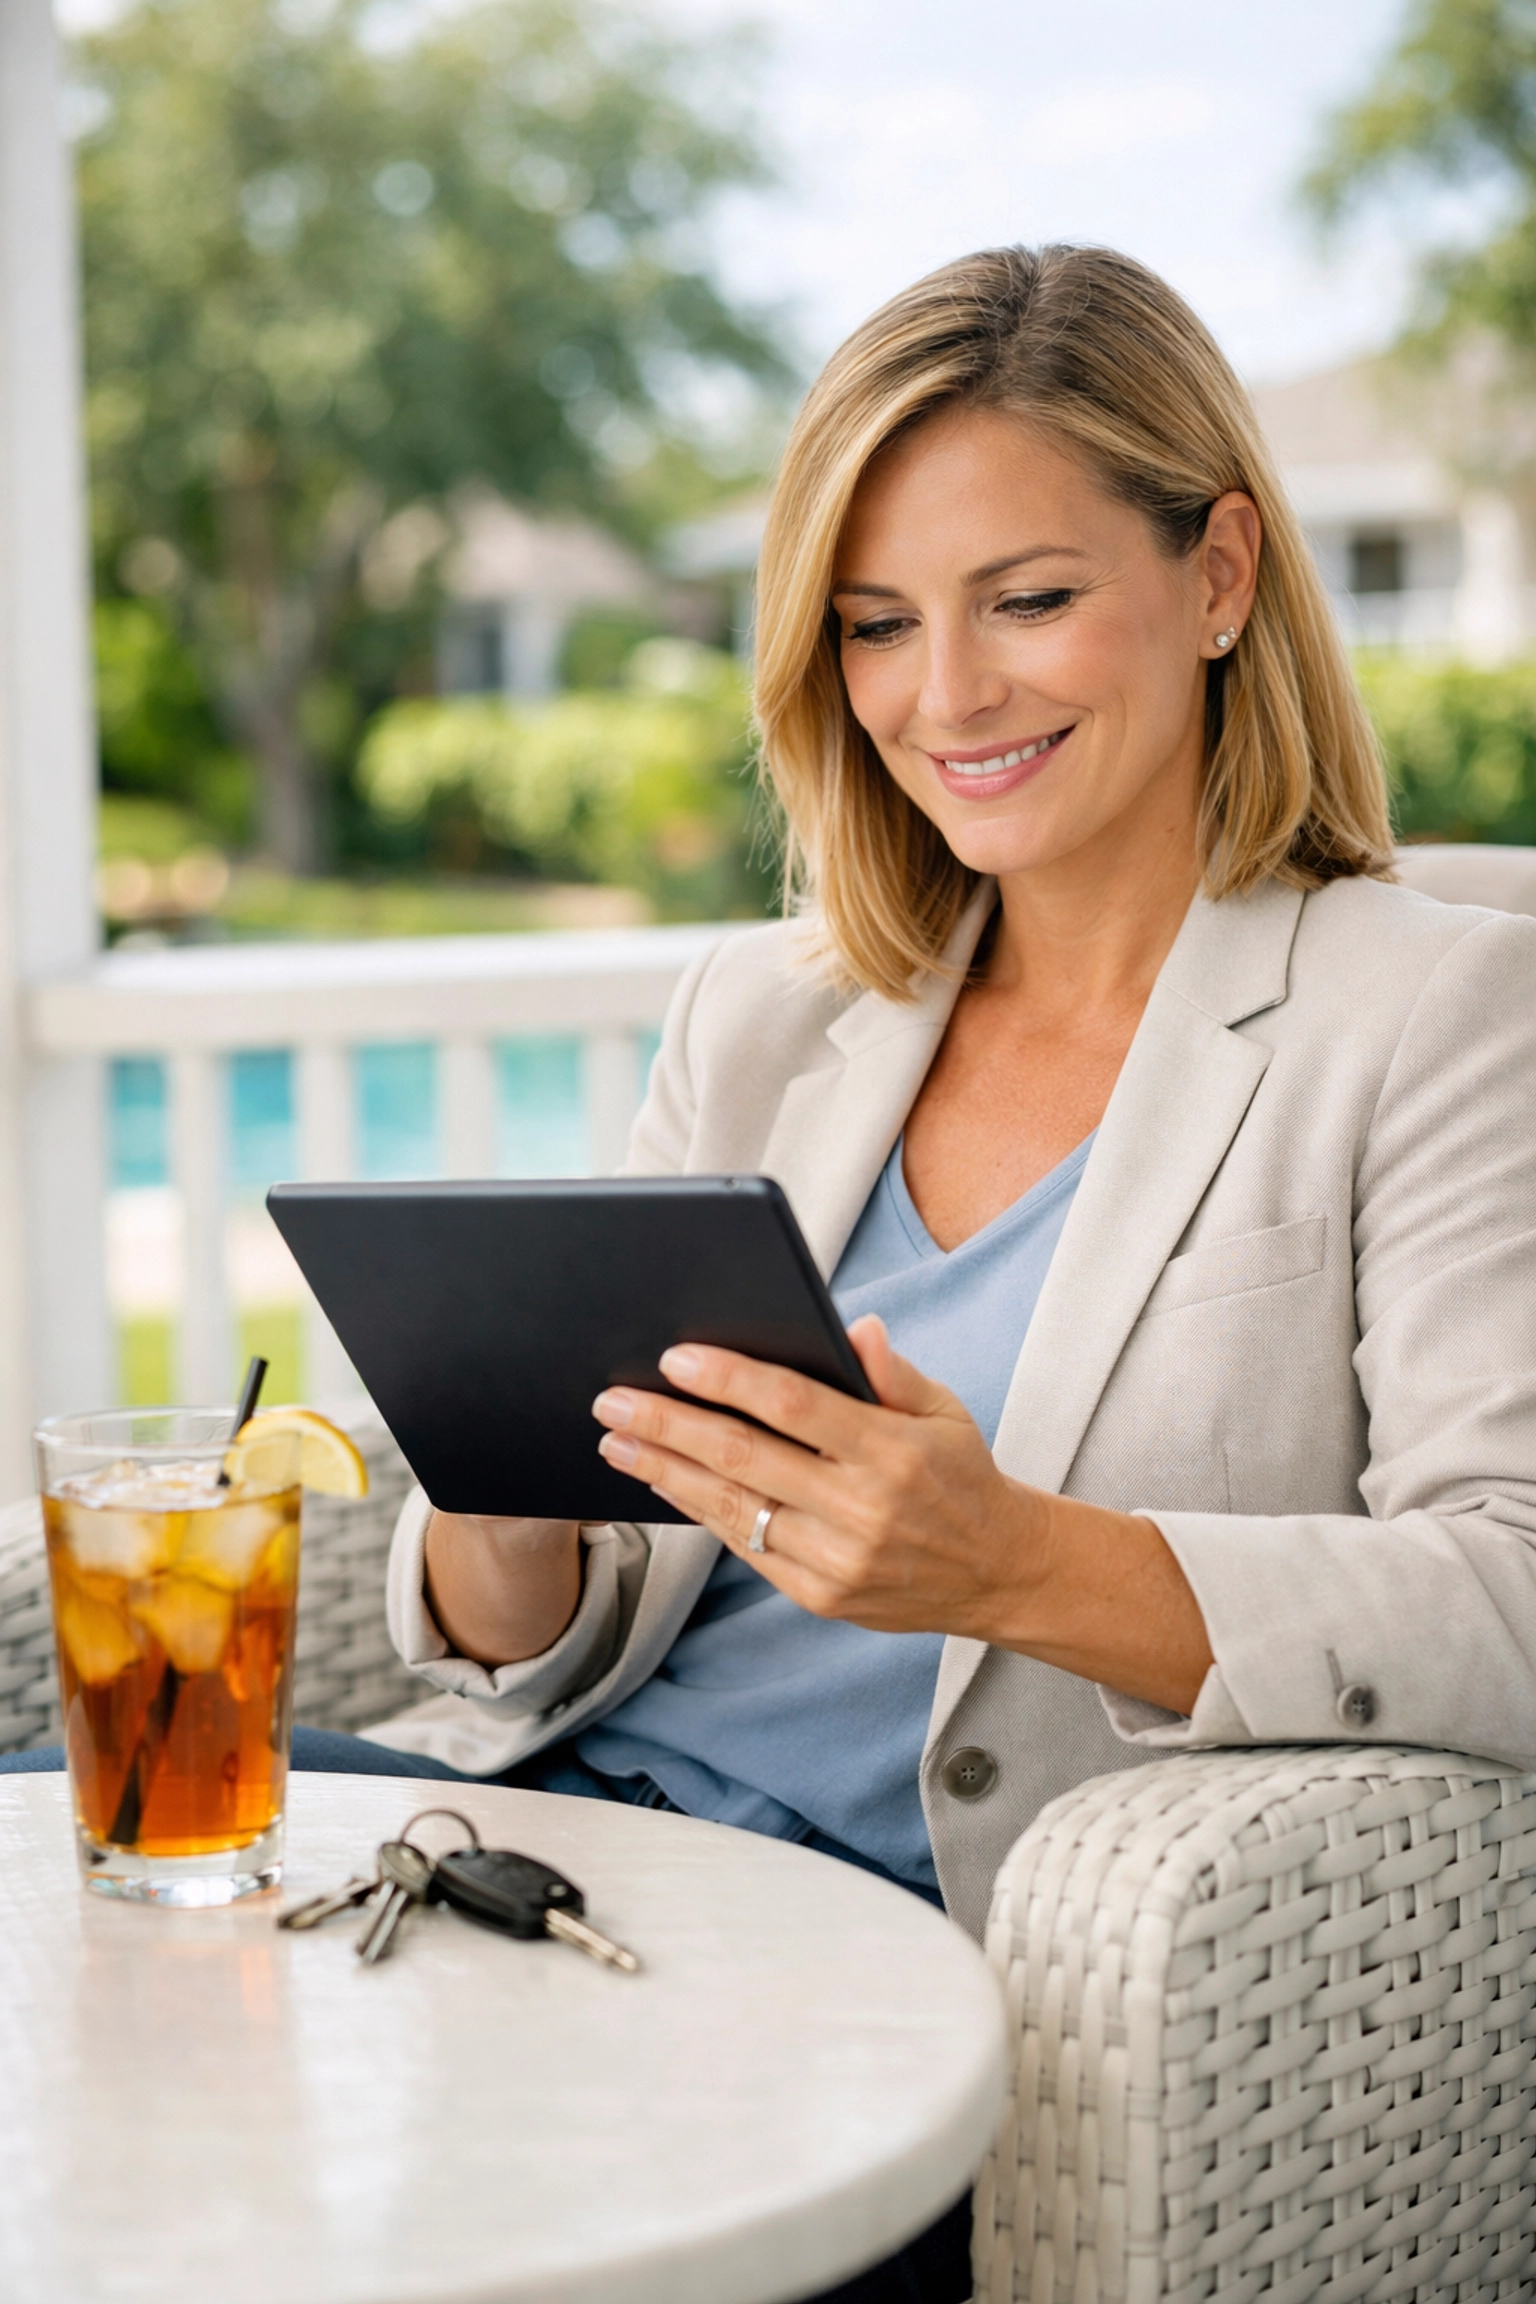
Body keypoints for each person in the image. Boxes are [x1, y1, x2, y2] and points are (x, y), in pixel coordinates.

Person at [12, 243, 1536, 2304]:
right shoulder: (766, 1016)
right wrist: (506, 1494)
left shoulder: (1436, 1015)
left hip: (912, 1968)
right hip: (549, 1859)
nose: (944, 697)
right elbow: (510, 1650)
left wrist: (1010, 1561)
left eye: (1031, 599)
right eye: (875, 624)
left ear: (1222, 575)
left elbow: (1509, 1588)